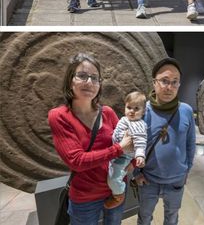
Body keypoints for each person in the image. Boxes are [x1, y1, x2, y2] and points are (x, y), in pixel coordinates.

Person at [48, 53, 133, 224]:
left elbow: (129, 143)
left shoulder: (107, 112)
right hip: (85, 198)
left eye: (95, 78)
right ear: (70, 80)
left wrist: (131, 163)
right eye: (82, 76)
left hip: (115, 190)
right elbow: (76, 161)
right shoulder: (59, 116)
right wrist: (118, 149)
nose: (89, 82)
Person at [134, 57, 196, 225]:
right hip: (149, 179)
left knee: (172, 217)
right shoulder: (142, 111)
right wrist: (136, 173)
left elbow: (190, 144)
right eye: (164, 81)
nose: (169, 87)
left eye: (175, 82)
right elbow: (132, 145)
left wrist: (187, 170)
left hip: (176, 179)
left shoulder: (186, 111)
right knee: (144, 217)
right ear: (154, 83)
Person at [104, 91, 147, 209]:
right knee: (110, 173)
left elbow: (141, 141)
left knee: (113, 178)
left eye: (136, 108)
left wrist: (140, 156)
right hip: (117, 152)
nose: (132, 111)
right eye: (129, 107)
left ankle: (119, 194)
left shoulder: (138, 124)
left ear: (143, 111)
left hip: (124, 156)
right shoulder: (124, 119)